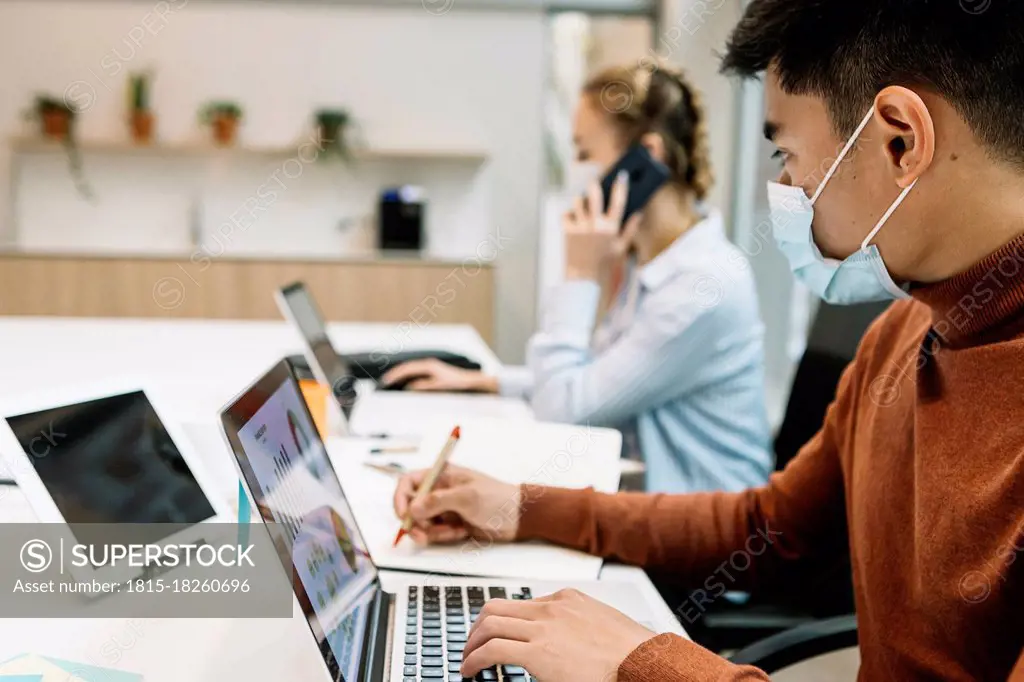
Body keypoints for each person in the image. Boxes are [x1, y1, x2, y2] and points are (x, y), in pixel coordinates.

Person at [390, 1, 1024, 679]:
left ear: (900, 141)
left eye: (788, 154)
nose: (784, 186)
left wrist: (642, 663)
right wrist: (519, 508)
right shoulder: (900, 336)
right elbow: (763, 526)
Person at [383, 64, 773, 494]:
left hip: (706, 536)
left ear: (646, 157)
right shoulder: (657, 262)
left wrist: (581, 272)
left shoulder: (703, 285)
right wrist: (487, 382)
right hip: (654, 505)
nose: (577, 172)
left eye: (586, 154)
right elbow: (597, 378)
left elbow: (563, 411)